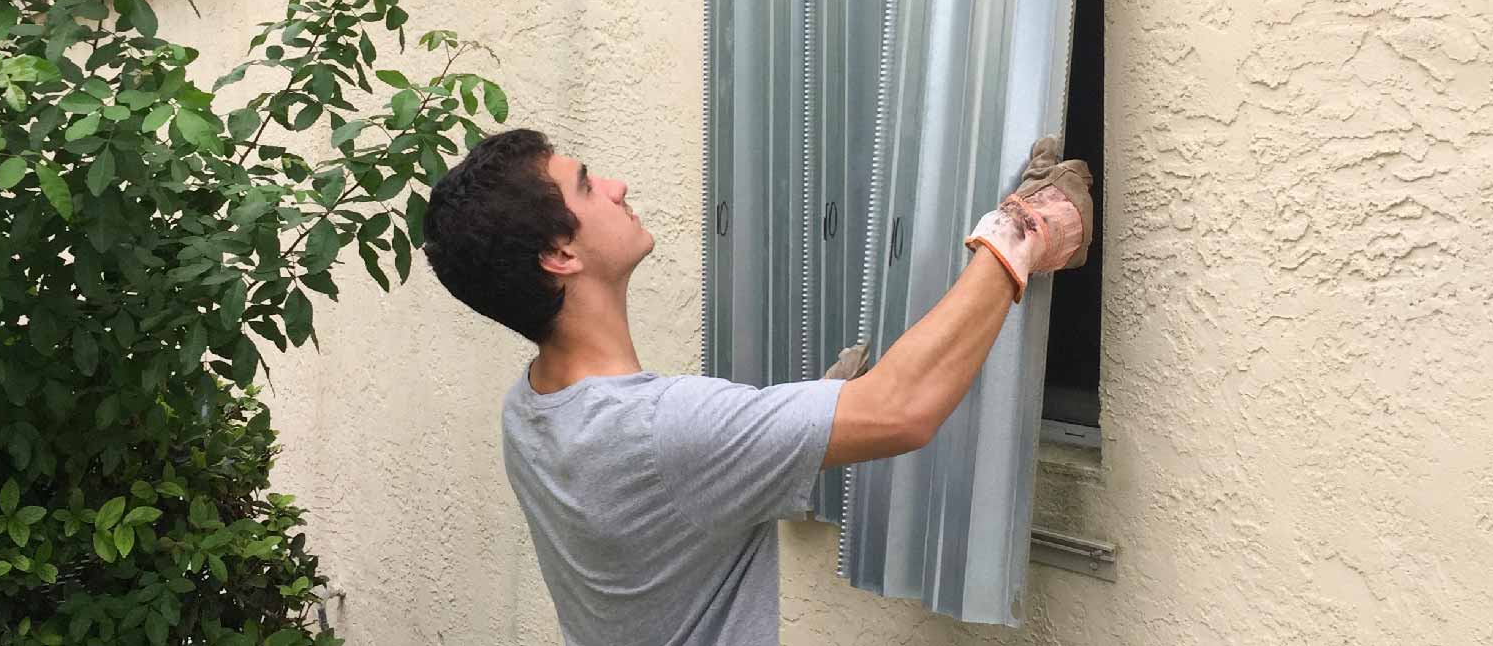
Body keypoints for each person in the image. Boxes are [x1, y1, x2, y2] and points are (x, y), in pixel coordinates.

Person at [422, 128, 1094, 646]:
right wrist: (1021, 234)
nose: (619, 186)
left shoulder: (531, 410)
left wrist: (796, 427)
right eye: (588, 185)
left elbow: (679, 490)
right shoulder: (661, 431)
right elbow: (902, 410)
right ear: (561, 255)